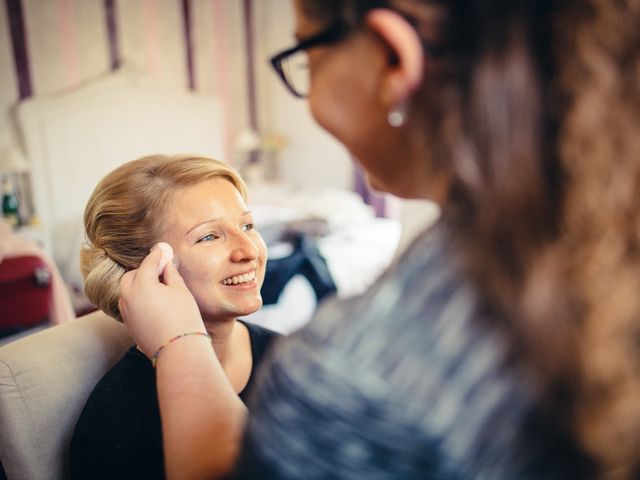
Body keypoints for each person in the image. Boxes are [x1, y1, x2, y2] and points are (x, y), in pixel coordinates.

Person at [119, 1, 640, 478]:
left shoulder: (351, 375)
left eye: (306, 57)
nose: (244, 247)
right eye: (210, 234)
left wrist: (180, 345)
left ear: (393, 59)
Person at [69, 155, 280, 480]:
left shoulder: (290, 360)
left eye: (247, 226)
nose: (249, 250)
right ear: (144, 271)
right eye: (209, 236)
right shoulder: (115, 429)